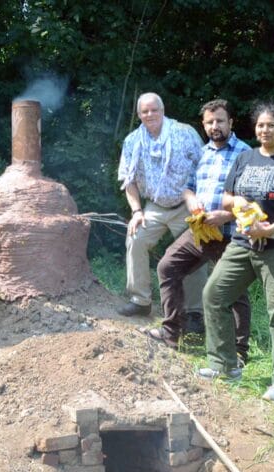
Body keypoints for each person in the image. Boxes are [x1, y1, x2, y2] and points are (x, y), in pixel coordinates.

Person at [199, 102, 274, 402]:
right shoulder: (246, 158)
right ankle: (225, 365)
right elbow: (226, 198)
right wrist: (239, 206)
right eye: (261, 125)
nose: (265, 130)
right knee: (214, 295)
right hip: (242, 243)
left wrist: (269, 229)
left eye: (271, 125)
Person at [144, 99, 252, 361]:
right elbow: (187, 187)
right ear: (204, 125)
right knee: (167, 267)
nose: (215, 126)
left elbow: (254, 198)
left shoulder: (246, 154)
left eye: (220, 121)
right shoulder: (201, 154)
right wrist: (192, 202)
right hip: (202, 231)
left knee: (234, 290)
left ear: (231, 123)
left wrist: (226, 214)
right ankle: (172, 332)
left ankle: (239, 351)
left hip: (232, 234)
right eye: (210, 122)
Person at [117, 92, 208, 330]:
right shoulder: (132, 141)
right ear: (139, 115)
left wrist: (200, 202)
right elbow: (129, 182)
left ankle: (195, 312)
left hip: (185, 205)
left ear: (163, 110)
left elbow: (205, 166)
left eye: (154, 110)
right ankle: (140, 300)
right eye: (144, 111)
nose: (150, 115)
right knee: (135, 238)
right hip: (154, 206)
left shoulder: (184, 133)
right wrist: (137, 211)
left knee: (195, 252)